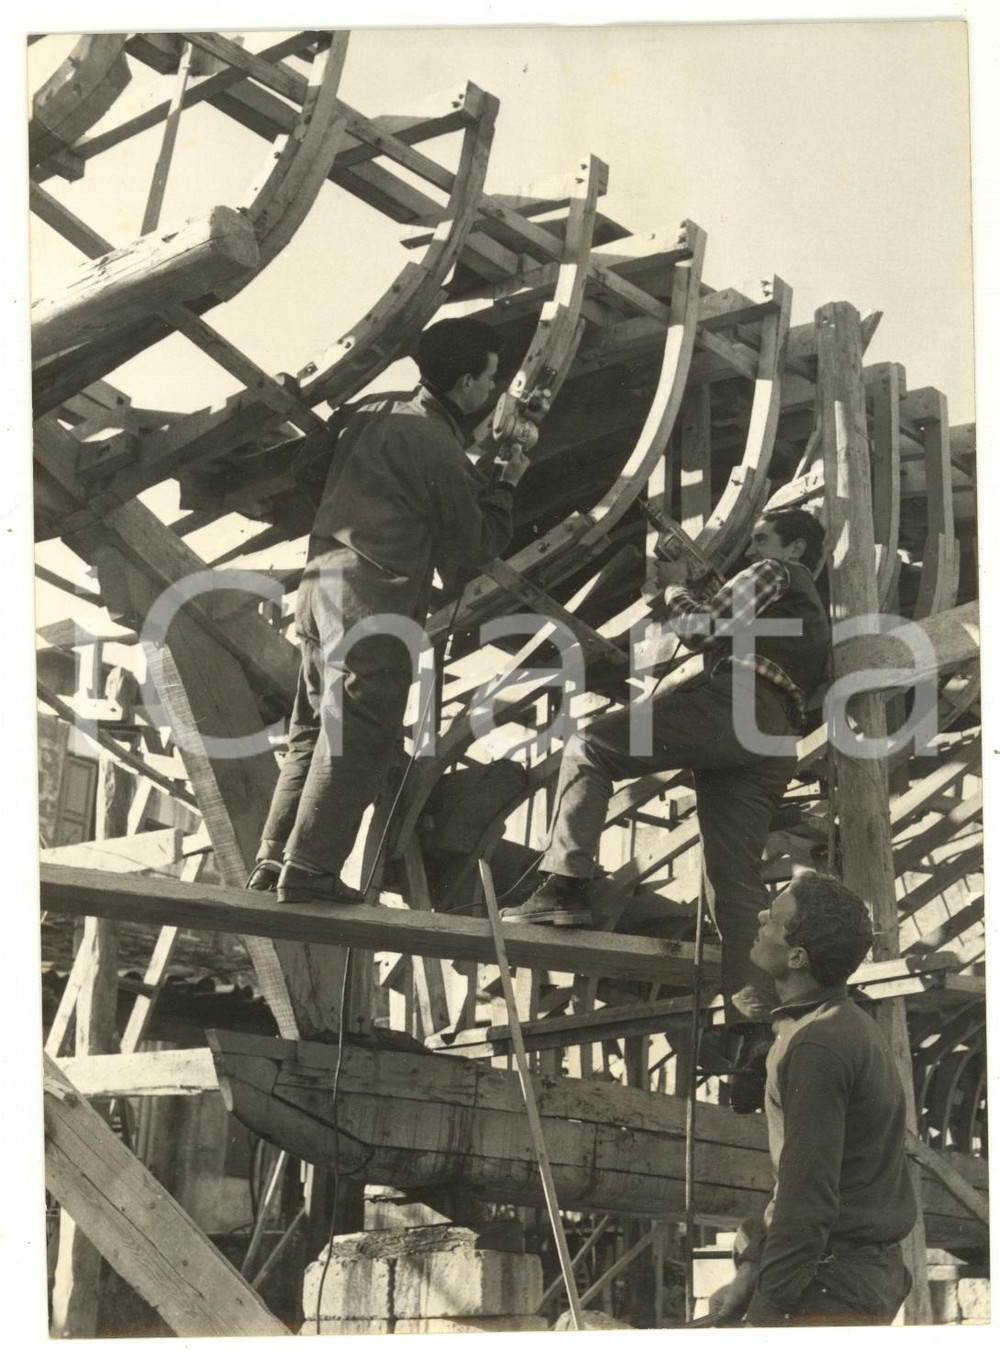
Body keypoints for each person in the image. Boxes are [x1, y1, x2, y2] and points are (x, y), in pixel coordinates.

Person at [500, 508, 830, 1024]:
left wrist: (676, 588)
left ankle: (565, 885)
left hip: (738, 704)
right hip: (776, 737)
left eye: (763, 539)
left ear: (796, 550)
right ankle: (758, 1023)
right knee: (735, 884)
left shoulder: (775, 572)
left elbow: (701, 631)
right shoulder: (806, 607)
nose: (751, 549)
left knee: (591, 746)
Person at [248, 317, 530, 905]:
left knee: (310, 733)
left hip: (318, 589)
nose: (495, 390)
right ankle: (309, 872)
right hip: (372, 605)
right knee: (358, 737)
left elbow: (304, 470)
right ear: (466, 385)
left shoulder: (371, 409)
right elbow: (472, 551)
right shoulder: (440, 448)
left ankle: (272, 864)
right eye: (491, 378)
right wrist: (502, 484)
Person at [706, 870, 917, 1326]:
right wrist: (749, 1277)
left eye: (775, 918)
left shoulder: (817, 1044)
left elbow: (807, 1198)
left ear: (798, 956)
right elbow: (800, 1187)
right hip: (855, 1276)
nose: (761, 915)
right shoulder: (849, 1024)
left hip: (831, 1286)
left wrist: (766, 1312)